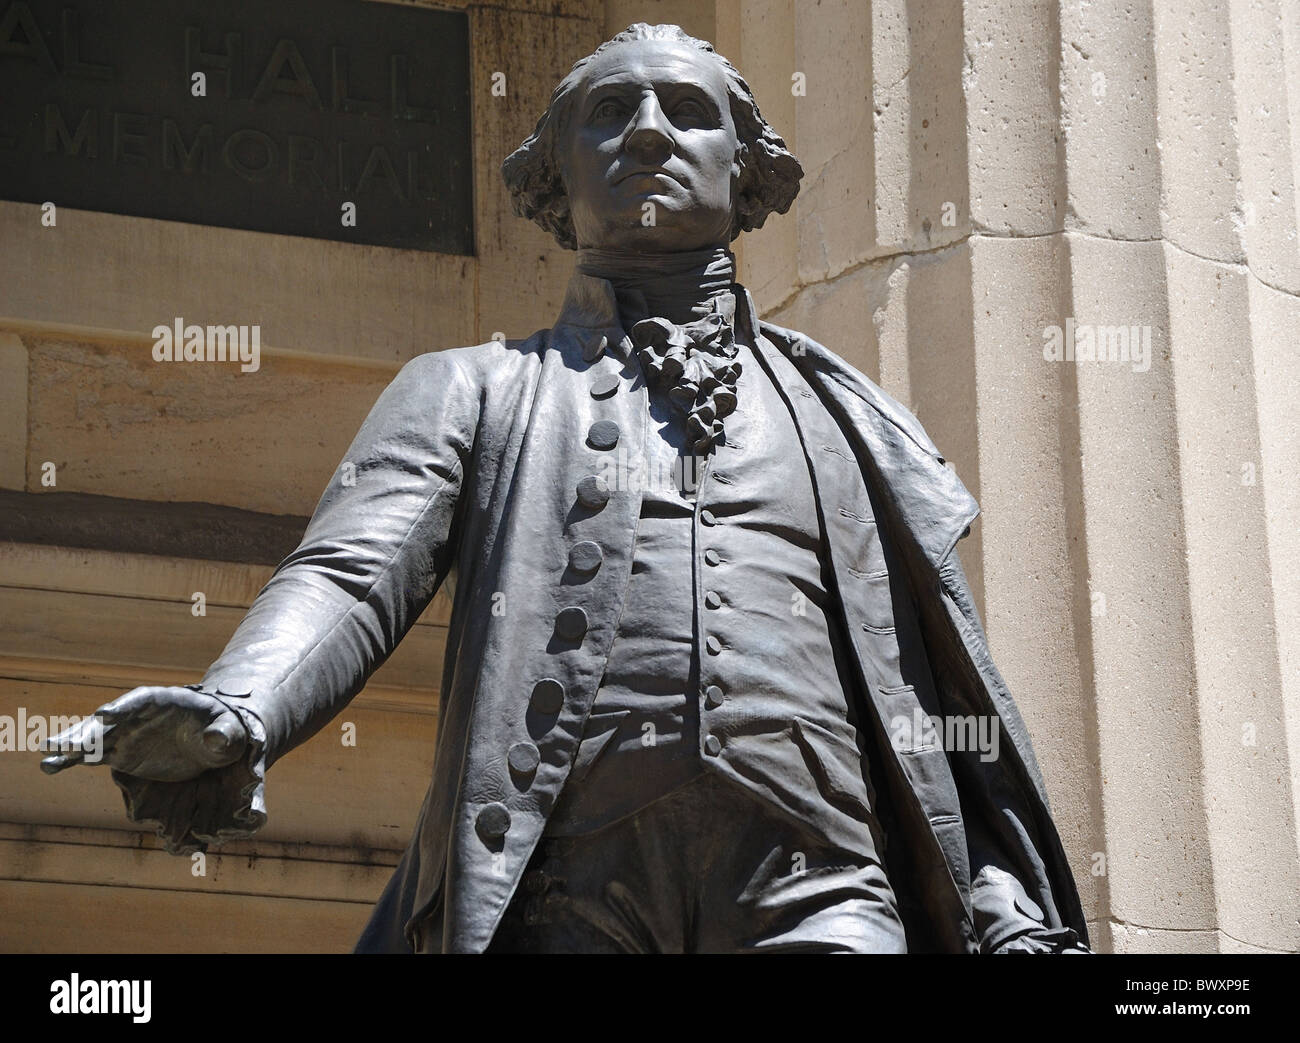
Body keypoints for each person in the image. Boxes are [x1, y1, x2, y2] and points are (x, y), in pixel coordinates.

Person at [45, 23, 1088, 954]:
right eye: (609, 111)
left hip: (820, 876)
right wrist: (240, 706)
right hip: (566, 877)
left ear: (746, 168)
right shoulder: (475, 387)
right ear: (557, 174)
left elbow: (936, 678)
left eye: (687, 111)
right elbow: (351, 573)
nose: (648, 132)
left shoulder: (845, 413)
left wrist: (998, 893)